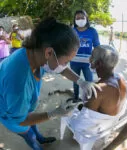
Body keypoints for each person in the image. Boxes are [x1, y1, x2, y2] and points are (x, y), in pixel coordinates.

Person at [0, 17, 100, 150]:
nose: (65, 66)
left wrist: (81, 81)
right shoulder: (19, 82)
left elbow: (62, 69)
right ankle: (37, 145)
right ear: (49, 52)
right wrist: (53, 114)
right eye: (66, 61)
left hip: (24, 107)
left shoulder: (35, 52)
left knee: (33, 124)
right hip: (12, 115)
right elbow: (21, 120)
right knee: (29, 135)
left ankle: (40, 138)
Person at [67, 45, 127, 139]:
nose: (89, 59)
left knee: (70, 112)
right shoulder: (121, 78)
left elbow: (81, 125)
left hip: (96, 129)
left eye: (91, 56)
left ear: (98, 63)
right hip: (110, 122)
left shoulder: (98, 90)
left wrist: (72, 114)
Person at [69, 10, 101, 103]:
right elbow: (68, 46)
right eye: (77, 18)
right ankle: (75, 98)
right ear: (74, 20)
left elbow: (97, 47)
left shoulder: (93, 31)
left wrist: (96, 60)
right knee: (75, 81)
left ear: (86, 19)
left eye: (82, 17)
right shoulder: (72, 31)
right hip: (74, 62)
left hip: (88, 62)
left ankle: (89, 100)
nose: (80, 20)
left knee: (89, 81)